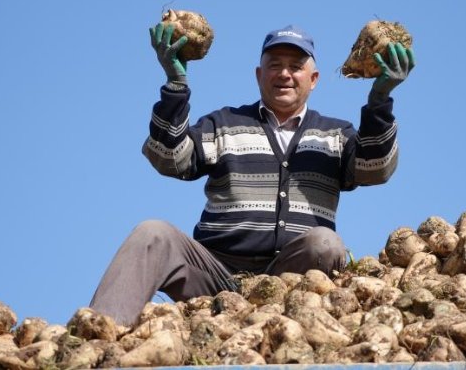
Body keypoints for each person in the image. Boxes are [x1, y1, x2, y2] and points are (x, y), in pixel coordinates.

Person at [89, 22, 414, 325]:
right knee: (152, 233)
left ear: (313, 80)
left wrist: (379, 101)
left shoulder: (335, 134)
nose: (284, 74)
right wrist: (176, 86)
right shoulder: (224, 123)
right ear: (259, 75)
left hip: (292, 280)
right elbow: (169, 158)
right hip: (214, 274)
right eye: (275, 65)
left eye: (296, 66)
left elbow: (374, 168)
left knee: (325, 243)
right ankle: (96, 335)